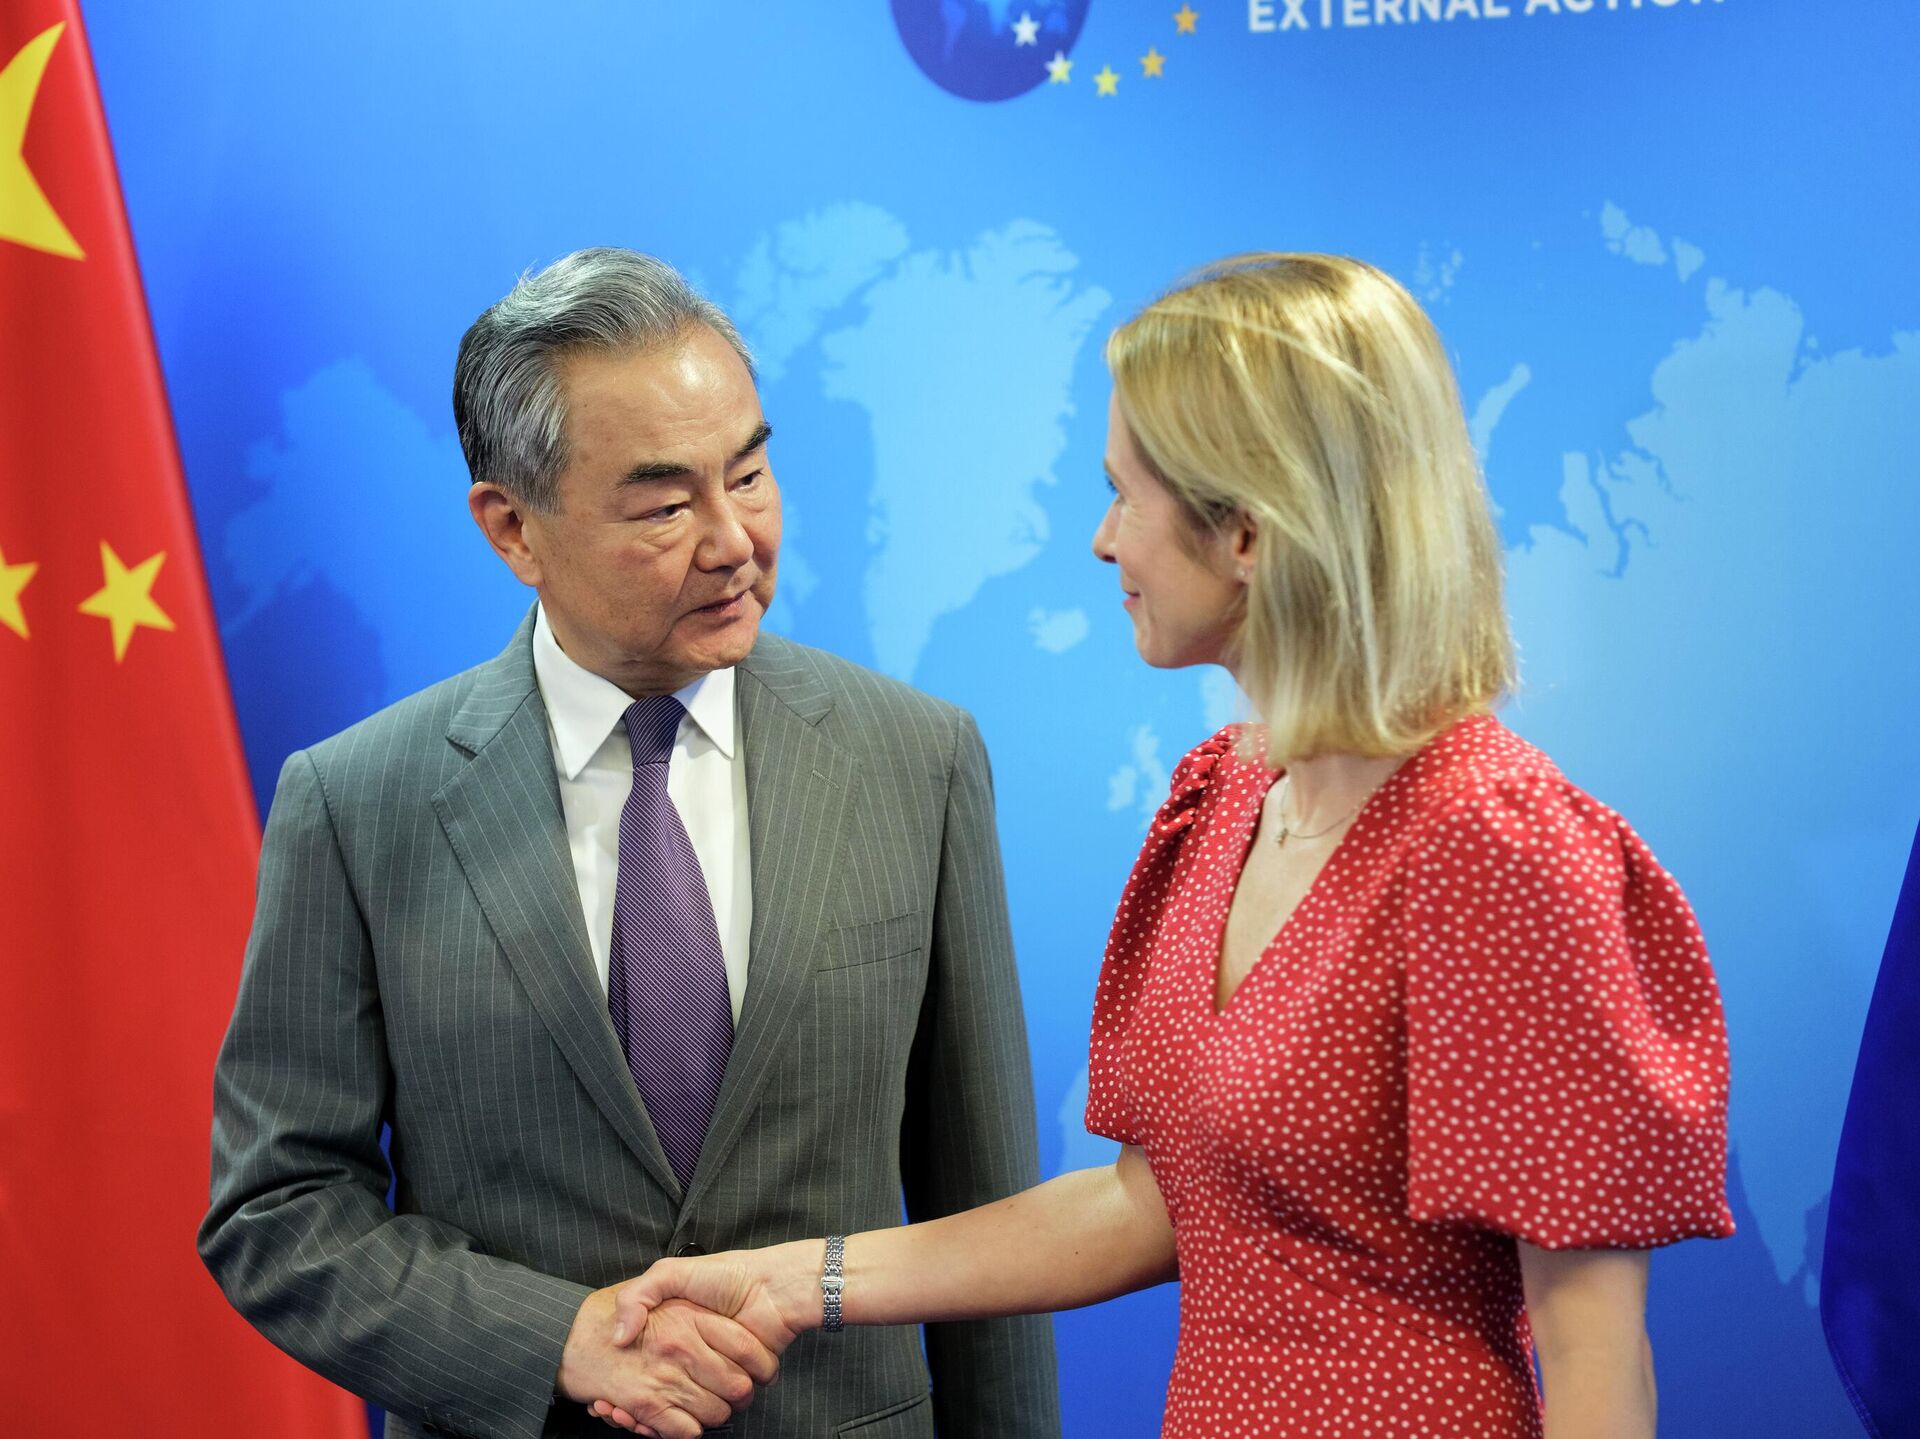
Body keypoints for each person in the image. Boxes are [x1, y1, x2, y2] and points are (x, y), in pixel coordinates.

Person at [590, 254, 1735, 1439]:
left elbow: (1598, 1364)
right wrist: (792, 1280)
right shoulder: (1223, 797)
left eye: (1124, 495)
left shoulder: (1500, 850)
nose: (1103, 541)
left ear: (1246, 530)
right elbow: (1155, 1203)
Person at [198, 248, 1060, 1439]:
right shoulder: (357, 804)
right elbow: (279, 1208)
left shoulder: (918, 759)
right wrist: (557, 1338)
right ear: (513, 528)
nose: (733, 539)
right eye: (664, 506)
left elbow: (989, 1217)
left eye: (748, 474)